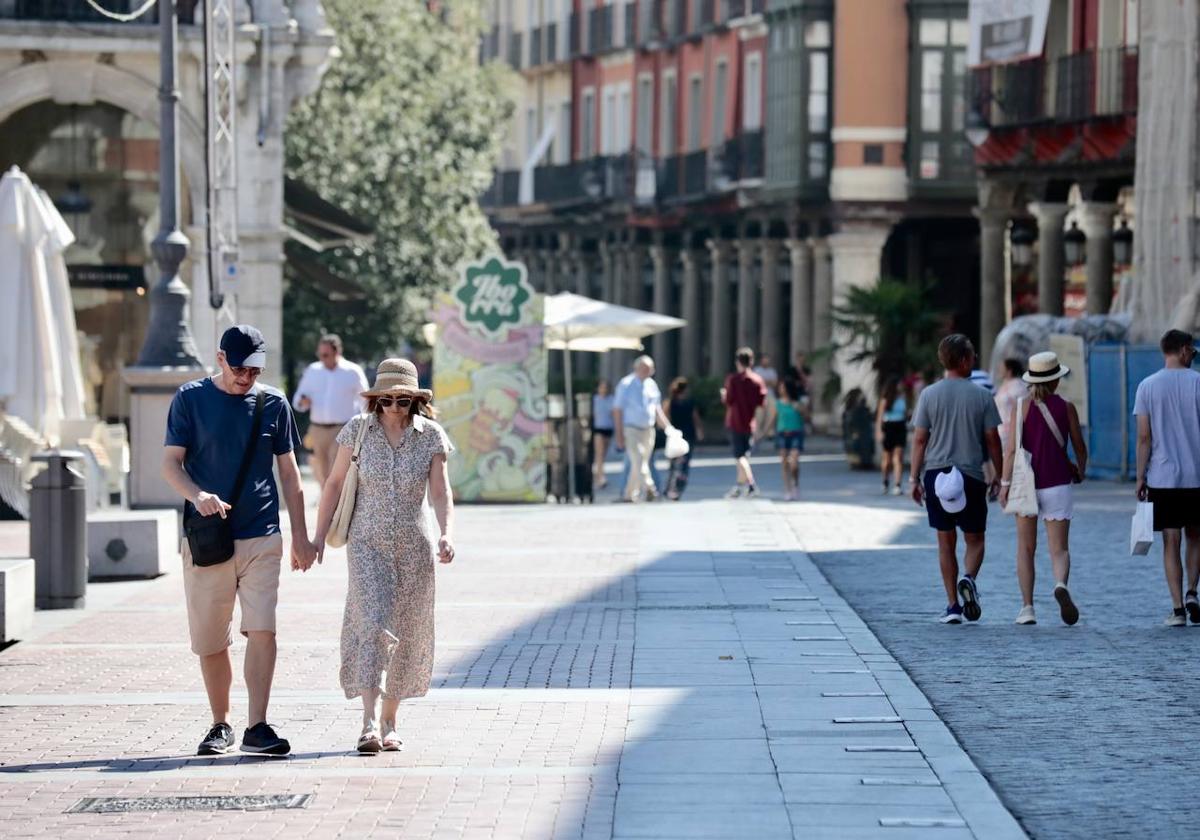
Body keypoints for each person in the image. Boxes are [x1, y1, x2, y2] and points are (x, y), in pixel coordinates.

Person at [162, 325, 316, 756]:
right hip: (208, 539)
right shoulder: (190, 399)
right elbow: (170, 466)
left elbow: (289, 472)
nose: (247, 377)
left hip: (261, 534)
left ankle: (258, 726)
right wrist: (199, 496)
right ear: (221, 359)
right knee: (211, 640)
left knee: (263, 628)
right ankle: (220, 724)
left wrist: (300, 536)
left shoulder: (273, 403)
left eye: (255, 369)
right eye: (241, 368)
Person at [313, 358, 455, 752]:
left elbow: (441, 492)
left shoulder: (431, 436)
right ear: (376, 400)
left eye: (402, 400)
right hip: (366, 544)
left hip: (414, 545)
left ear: (415, 401)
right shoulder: (357, 431)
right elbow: (334, 483)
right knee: (373, 621)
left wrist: (447, 534)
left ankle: (391, 721)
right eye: (387, 400)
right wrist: (318, 536)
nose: (394, 407)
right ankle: (368, 721)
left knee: (408, 630)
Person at [909, 334, 1003, 624]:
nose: (974, 359)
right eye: (972, 355)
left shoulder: (928, 394)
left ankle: (952, 607)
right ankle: (969, 578)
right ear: (963, 360)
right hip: (971, 474)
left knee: (945, 542)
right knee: (975, 539)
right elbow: (992, 440)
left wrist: (914, 477)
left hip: (936, 475)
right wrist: (1000, 475)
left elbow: (920, 440)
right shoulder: (982, 396)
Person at [999, 352, 1087, 626]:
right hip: (1059, 482)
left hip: (1027, 484)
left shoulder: (1020, 406)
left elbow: (1011, 451)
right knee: (1059, 548)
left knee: (1025, 548)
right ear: (1055, 381)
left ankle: (1027, 608)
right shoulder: (1067, 407)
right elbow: (1078, 445)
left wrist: (1004, 484)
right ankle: (1060, 583)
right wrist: (1080, 468)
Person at [1134, 329, 1200, 627]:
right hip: (1196, 474)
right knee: (1196, 536)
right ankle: (1192, 592)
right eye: (1193, 352)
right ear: (1184, 350)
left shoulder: (1147, 387)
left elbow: (1144, 437)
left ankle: (1176, 609)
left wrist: (1140, 477)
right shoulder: (1198, 383)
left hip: (1163, 477)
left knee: (1170, 540)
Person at [291, 334, 369, 490]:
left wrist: (365, 424)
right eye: (320, 354)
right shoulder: (313, 370)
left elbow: (365, 400)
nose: (322, 358)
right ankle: (329, 506)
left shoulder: (353, 371)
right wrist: (303, 402)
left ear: (337, 352)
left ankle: (337, 506)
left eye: (325, 354)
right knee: (321, 471)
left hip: (342, 429)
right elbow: (298, 399)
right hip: (317, 430)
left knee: (337, 469)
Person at [613, 356, 673, 502]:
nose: (649, 371)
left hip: (648, 429)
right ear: (637, 368)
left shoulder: (651, 385)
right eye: (645, 368)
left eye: (650, 368)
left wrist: (668, 428)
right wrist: (619, 434)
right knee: (638, 459)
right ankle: (650, 488)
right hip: (631, 429)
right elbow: (617, 410)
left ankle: (629, 494)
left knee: (639, 463)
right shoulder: (626, 384)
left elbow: (657, 409)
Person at [722, 347, 768, 498]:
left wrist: (724, 395)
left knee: (740, 457)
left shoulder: (733, 380)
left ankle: (751, 485)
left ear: (737, 362)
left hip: (735, 421)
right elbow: (762, 402)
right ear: (751, 361)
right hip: (750, 422)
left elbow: (728, 400)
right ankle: (739, 486)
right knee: (743, 457)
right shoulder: (757, 380)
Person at [664, 377, 703, 500]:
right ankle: (678, 489)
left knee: (673, 464)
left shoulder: (670, 402)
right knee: (685, 464)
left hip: (674, 435)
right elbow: (695, 418)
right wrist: (699, 431)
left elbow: (665, 418)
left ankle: (669, 488)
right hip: (688, 435)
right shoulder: (690, 402)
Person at [875, 375, 910, 496]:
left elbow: (905, 413)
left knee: (898, 457)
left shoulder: (903, 398)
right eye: (899, 384)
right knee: (887, 459)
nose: (901, 386)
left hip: (900, 427)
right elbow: (879, 417)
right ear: (894, 386)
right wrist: (879, 431)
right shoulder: (885, 399)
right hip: (888, 427)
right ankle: (885, 481)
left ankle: (897, 484)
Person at [775, 378, 808, 501]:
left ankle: (796, 483)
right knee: (784, 463)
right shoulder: (777, 403)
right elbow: (773, 419)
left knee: (794, 463)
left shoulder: (797, 403)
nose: (780, 389)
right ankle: (787, 489)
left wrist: (800, 409)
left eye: (783, 387)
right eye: (780, 387)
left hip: (796, 434)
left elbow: (806, 416)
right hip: (782, 434)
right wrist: (762, 433)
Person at [994, 358, 1029, 453]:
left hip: (1013, 431)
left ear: (1009, 370)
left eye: (1002, 367)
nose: (999, 369)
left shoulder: (1020, 386)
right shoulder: (1003, 385)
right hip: (1001, 430)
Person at [591, 379, 615, 490]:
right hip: (598, 429)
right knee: (599, 453)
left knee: (603, 454)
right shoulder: (594, 400)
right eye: (602, 387)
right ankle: (601, 477)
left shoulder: (611, 400)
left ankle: (598, 474)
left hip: (608, 429)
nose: (603, 390)